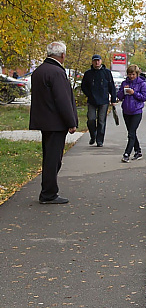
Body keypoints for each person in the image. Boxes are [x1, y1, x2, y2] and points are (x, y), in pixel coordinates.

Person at [28, 41, 79, 204]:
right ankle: (49, 193)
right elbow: (62, 100)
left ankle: (48, 191)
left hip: (44, 121)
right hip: (56, 123)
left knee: (49, 156)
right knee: (53, 159)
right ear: (62, 55)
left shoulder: (39, 71)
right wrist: (71, 121)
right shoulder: (57, 72)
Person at [80, 54, 117, 147]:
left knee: (101, 121)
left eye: (98, 60)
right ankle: (93, 135)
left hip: (104, 100)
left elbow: (111, 86)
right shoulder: (88, 73)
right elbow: (83, 86)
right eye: (95, 61)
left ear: (101, 61)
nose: (97, 62)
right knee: (91, 119)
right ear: (92, 62)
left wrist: (113, 99)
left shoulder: (106, 73)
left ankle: (99, 140)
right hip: (92, 100)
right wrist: (89, 94)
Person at [118, 64, 146, 162]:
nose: (131, 76)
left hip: (136, 111)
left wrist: (134, 93)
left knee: (131, 133)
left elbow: (144, 97)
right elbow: (119, 96)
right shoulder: (124, 83)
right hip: (126, 111)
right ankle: (138, 151)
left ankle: (127, 153)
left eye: (133, 74)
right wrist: (123, 91)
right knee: (132, 133)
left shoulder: (141, 83)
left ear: (137, 74)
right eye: (129, 74)